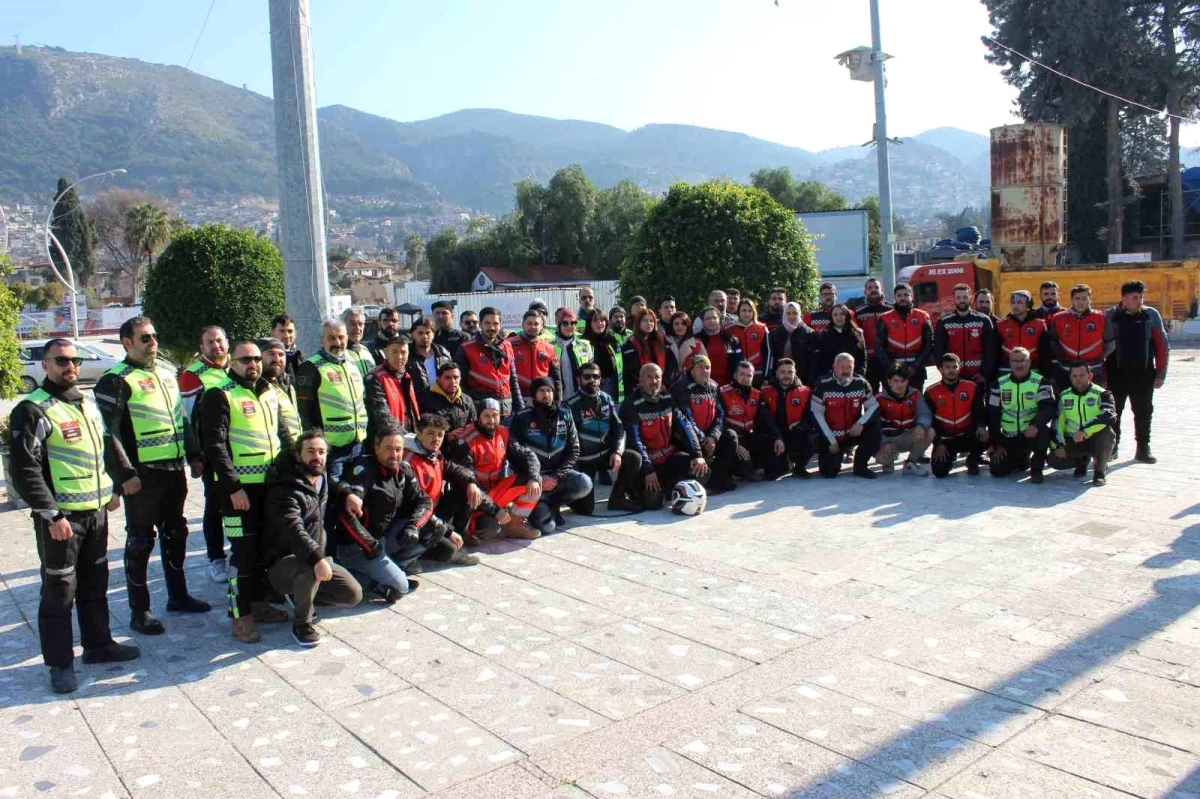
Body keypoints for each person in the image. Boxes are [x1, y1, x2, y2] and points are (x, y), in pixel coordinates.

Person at [9, 338, 140, 693]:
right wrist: (51, 514)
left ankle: (98, 646)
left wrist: (117, 484)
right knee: (60, 590)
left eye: (75, 360)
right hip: (61, 520)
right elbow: (24, 469)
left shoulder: (87, 402)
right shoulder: (33, 409)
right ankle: (60, 664)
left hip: (95, 512)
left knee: (95, 583)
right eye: (62, 360)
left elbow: (105, 445)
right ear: (45, 365)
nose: (70, 366)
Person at [96, 317, 211, 635]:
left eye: (154, 337)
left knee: (176, 534)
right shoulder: (115, 380)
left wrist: (194, 453)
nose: (153, 343)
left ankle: (178, 596)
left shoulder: (165, 373)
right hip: (142, 476)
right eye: (145, 338)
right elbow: (109, 433)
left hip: (173, 470)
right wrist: (125, 475)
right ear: (127, 342)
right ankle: (139, 611)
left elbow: (180, 418)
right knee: (140, 542)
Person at [202, 340, 295, 642]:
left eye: (256, 358)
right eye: (245, 360)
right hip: (236, 495)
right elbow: (214, 447)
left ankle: (258, 604)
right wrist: (233, 487)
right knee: (241, 556)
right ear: (232, 362)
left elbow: (283, 436)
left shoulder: (269, 392)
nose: (252, 364)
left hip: (269, 490)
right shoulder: (219, 395)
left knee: (262, 552)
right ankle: (239, 617)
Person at [265, 430, 364, 648]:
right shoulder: (285, 488)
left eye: (321, 452)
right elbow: (294, 529)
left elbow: (333, 486)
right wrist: (318, 559)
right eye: (310, 452)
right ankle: (302, 624)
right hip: (281, 563)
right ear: (298, 455)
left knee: (353, 594)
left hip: (314, 555)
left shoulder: (320, 477)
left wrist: (347, 494)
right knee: (311, 568)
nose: (317, 457)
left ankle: (305, 595)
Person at [337, 423, 429, 603]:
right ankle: (365, 579)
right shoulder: (364, 470)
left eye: (398, 449)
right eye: (388, 449)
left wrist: (414, 526)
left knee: (433, 528)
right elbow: (347, 516)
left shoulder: (403, 469)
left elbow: (424, 501)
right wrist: (370, 546)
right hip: (359, 547)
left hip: (383, 538)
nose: (394, 454)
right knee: (400, 588)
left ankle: (393, 569)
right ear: (376, 448)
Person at [179, 324, 231, 581]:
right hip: (212, 454)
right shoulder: (193, 375)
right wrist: (194, 456)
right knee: (215, 506)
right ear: (202, 347)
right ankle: (216, 558)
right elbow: (186, 419)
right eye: (210, 342)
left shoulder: (238, 366)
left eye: (219, 341)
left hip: (241, 451)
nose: (216, 346)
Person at [445, 401, 542, 539]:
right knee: (490, 529)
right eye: (487, 416)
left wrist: (532, 478)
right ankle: (469, 529)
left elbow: (528, 455)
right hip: (475, 499)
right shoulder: (465, 440)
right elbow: (466, 479)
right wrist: (495, 511)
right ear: (478, 417)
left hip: (497, 491)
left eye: (495, 415)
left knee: (535, 479)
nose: (491, 420)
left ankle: (514, 524)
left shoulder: (503, 432)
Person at [401, 414, 488, 566]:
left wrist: (471, 482)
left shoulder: (433, 454)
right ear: (419, 433)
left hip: (432, 512)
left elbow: (455, 469)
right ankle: (412, 556)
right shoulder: (408, 461)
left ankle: (457, 541)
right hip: (415, 518)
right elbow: (412, 505)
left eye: (440, 435)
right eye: (430, 433)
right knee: (447, 550)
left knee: (464, 489)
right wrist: (447, 531)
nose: (436, 439)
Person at [509, 377, 593, 533]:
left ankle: (554, 504)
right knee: (548, 528)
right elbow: (514, 451)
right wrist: (536, 477)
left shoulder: (565, 414)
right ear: (534, 394)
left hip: (557, 476)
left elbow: (574, 449)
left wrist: (555, 476)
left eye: (549, 390)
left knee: (585, 483)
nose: (546, 394)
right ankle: (538, 505)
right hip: (533, 480)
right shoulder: (522, 417)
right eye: (541, 391)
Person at [621, 363, 710, 509]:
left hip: (668, 460)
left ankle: (670, 488)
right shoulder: (630, 404)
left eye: (657, 377)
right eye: (649, 377)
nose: (654, 381)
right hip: (647, 466)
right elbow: (634, 440)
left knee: (703, 472)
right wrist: (647, 470)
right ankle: (653, 490)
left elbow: (685, 427)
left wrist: (697, 454)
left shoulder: (667, 399)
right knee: (652, 503)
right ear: (640, 380)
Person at [295, 319, 368, 480]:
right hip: (331, 447)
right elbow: (303, 410)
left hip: (357, 443)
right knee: (335, 494)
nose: (338, 342)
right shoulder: (311, 367)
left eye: (341, 337)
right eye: (331, 338)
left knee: (358, 490)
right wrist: (317, 444)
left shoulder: (352, 365)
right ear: (322, 340)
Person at [565, 363, 643, 513]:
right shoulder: (570, 405)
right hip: (584, 461)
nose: (592, 380)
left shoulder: (606, 398)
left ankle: (618, 498)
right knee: (585, 510)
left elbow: (619, 427)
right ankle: (566, 498)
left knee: (634, 458)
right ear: (578, 379)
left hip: (606, 455)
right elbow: (567, 441)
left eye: (596, 377)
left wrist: (618, 452)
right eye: (587, 377)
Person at [1105, 279, 1169, 463]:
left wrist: (1161, 374)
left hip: (1144, 374)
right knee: (1113, 413)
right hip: (1116, 375)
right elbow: (1102, 347)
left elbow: (1163, 346)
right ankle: (1112, 448)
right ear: (1123, 299)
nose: (1140, 301)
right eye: (1135, 297)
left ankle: (1143, 448)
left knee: (1144, 413)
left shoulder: (1150, 315)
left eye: (1141, 297)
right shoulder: (1110, 316)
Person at [671, 356, 738, 493]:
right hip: (687, 438)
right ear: (692, 369)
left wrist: (713, 436)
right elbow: (686, 420)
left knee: (730, 436)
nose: (704, 371)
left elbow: (720, 414)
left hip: (709, 436)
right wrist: (703, 441)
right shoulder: (681, 387)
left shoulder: (714, 386)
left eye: (707, 367)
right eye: (700, 367)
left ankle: (716, 481)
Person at [987, 347, 1055, 483]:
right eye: (1015, 361)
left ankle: (1036, 469)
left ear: (1029, 362)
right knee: (996, 470)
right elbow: (992, 414)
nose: (1019, 365)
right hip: (1009, 436)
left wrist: (1035, 424)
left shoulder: (1041, 382)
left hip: (1032, 433)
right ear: (1010, 363)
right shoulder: (998, 384)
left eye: (1022, 361)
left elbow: (1047, 408)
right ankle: (1022, 460)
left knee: (1044, 432)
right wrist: (997, 444)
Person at [810, 353, 880, 479]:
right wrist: (830, 440)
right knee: (829, 472)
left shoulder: (861, 382)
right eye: (842, 367)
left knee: (874, 430)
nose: (846, 370)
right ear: (834, 367)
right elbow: (816, 414)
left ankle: (860, 467)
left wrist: (861, 423)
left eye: (849, 367)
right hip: (832, 436)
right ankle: (835, 454)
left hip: (853, 433)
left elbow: (873, 406)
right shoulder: (823, 384)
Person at [1047, 363, 1117, 486]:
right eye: (1074, 376)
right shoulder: (1064, 396)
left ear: (1090, 376)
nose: (1078, 379)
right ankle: (1081, 461)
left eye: (1081, 375)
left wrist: (1086, 432)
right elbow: (1057, 422)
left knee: (1108, 434)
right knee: (1054, 460)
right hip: (1073, 439)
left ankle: (1100, 471)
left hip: (1094, 438)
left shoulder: (1103, 394)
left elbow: (1109, 416)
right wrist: (1058, 445)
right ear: (1070, 377)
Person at [720, 360, 787, 480]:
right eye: (741, 374)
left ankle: (756, 467)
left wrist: (778, 438)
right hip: (732, 441)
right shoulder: (723, 393)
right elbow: (719, 423)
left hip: (750, 437)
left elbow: (767, 419)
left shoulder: (757, 394)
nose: (745, 378)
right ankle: (738, 472)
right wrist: (736, 446)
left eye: (749, 375)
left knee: (776, 471)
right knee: (744, 468)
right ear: (735, 375)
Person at [925, 353, 989, 478]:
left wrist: (981, 426)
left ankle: (972, 459)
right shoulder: (931, 392)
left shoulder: (971, 387)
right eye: (948, 367)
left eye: (954, 367)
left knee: (986, 437)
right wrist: (939, 443)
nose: (951, 370)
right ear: (940, 369)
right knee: (939, 472)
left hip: (967, 434)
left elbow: (979, 410)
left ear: (959, 368)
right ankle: (950, 455)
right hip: (945, 438)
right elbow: (930, 420)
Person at [455, 306, 523, 419]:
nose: (491, 327)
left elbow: (513, 380)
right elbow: (461, 384)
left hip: (506, 411)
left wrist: (520, 408)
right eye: (487, 323)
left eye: (495, 323)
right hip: (481, 412)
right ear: (480, 324)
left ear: (500, 325)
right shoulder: (466, 348)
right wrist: (468, 410)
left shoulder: (507, 345)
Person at [1044, 283, 1115, 390]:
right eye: (1077, 298)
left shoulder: (1101, 318)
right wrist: (1062, 357)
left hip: (1094, 368)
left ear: (1090, 299)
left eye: (1084, 298)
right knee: (1066, 401)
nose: (1080, 302)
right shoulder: (1058, 318)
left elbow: (1110, 344)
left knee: (1096, 402)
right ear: (1072, 300)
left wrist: (1099, 358)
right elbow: (1053, 342)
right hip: (1067, 368)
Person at [874, 363, 933, 476]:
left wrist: (921, 425)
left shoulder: (915, 394)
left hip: (908, 437)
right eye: (896, 381)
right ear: (889, 381)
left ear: (907, 381)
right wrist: (884, 442)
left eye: (903, 381)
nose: (899, 384)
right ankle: (889, 462)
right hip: (889, 440)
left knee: (930, 431)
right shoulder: (879, 399)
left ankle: (910, 463)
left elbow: (925, 414)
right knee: (882, 460)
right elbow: (874, 426)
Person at [760, 357, 814, 478]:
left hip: (795, 432)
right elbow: (764, 419)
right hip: (775, 435)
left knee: (810, 439)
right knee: (772, 475)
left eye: (790, 372)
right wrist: (776, 437)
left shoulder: (805, 391)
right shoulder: (765, 392)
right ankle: (784, 463)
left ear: (795, 373)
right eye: (782, 372)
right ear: (776, 374)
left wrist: (800, 427)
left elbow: (810, 417)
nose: (786, 375)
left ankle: (799, 466)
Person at [934, 283, 996, 385]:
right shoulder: (944, 322)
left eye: (965, 297)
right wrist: (943, 371)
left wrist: (984, 373)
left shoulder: (983, 320)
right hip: (953, 377)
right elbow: (938, 350)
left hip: (977, 376)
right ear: (953, 299)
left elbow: (991, 350)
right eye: (958, 297)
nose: (962, 300)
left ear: (971, 299)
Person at [876, 282, 934, 391]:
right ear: (895, 298)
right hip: (892, 369)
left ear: (912, 297)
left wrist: (915, 366)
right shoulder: (884, 318)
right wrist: (891, 367)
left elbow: (929, 344)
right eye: (899, 295)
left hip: (916, 370)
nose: (903, 298)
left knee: (915, 403)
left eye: (906, 295)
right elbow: (879, 347)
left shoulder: (923, 316)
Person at [364, 335, 421, 443]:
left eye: (403, 352)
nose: (399, 357)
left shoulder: (406, 376)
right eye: (394, 352)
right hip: (387, 441)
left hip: (408, 438)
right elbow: (382, 415)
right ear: (386, 353)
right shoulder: (375, 378)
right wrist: (407, 438)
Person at [510, 309, 563, 405]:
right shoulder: (510, 345)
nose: (532, 327)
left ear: (542, 327)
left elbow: (556, 378)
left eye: (536, 324)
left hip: (542, 397)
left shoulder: (550, 348)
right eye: (529, 323)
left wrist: (558, 401)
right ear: (523, 325)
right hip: (518, 397)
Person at [259, 337, 302, 442]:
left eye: (281, 354)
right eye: (271, 354)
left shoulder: (286, 383)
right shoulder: (259, 387)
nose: (277, 359)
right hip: (279, 451)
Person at [853, 278, 892, 392]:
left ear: (882, 290)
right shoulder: (857, 312)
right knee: (870, 395)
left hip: (888, 358)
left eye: (876, 287)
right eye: (870, 288)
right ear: (865, 292)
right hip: (868, 360)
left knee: (891, 393)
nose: (873, 290)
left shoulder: (891, 310)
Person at [997, 290, 1048, 375]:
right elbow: (995, 352)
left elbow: (1045, 352)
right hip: (1006, 370)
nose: (1015, 305)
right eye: (1013, 302)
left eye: (1019, 302)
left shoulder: (1040, 324)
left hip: (1032, 369)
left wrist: (1046, 374)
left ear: (1028, 305)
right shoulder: (1001, 325)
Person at [622, 308, 669, 400]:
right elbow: (631, 371)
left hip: (662, 387)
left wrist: (664, 383)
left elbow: (671, 363)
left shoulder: (662, 340)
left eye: (651, 320)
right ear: (638, 323)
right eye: (645, 320)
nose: (649, 323)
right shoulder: (630, 344)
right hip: (640, 390)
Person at [422, 361, 478, 436]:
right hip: (438, 446)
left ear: (460, 379)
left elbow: (474, 427)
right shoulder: (428, 401)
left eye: (456, 377)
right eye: (447, 378)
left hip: (464, 445)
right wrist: (447, 437)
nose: (453, 382)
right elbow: (425, 432)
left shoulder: (467, 400)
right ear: (439, 379)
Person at [814, 304, 867, 383]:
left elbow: (863, 358)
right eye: (835, 315)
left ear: (847, 315)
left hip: (854, 377)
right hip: (831, 378)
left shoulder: (857, 333)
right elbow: (822, 359)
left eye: (842, 314)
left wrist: (860, 375)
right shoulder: (825, 334)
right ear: (831, 317)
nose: (839, 317)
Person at [582, 309, 624, 403]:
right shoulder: (582, 342)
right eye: (595, 320)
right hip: (589, 382)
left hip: (610, 382)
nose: (599, 323)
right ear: (589, 323)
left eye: (602, 320)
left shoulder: (612, 340)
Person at [695, 307, 743, 388]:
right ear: (702, 322)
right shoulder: (696, 340)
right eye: (708, 319)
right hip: (703, 385)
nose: (711, 321)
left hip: (728, 385)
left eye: (714, 318)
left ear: (719, 320)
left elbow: (739, 360)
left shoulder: (731, 339)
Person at [766, 301, 814, 383]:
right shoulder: (774, 334)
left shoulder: (809, 333)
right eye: (788, 313)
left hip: (802, 380)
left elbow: (812, 361)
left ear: (799, 314)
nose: (791, 316)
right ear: (784, 315)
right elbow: (770, 357)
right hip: (779, 379)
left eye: (795, 313)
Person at [553, 307, 594, 400]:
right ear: (559, 325)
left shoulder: (585, 345)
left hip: (582, 396)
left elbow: (592, 371)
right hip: (559, 397)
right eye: (565, 323)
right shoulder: (550, 346)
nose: (569, 326)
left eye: (573, 323)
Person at [729, 299, 770, 386]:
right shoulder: (729, 329)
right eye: (744, 310)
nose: (747, 314)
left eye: (750, 310)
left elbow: (769, 353)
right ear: (738, 311)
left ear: (754, 312)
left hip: (758, 372)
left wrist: (766, 376)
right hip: (738, 373)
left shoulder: (762, 328)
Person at [407, 317, 452, 395]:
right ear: (413, 335)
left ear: (433, 334)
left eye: (428, 333)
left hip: (441, 400)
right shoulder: (406, 355)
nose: (425, 336)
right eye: (420, 333)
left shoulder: (443, 354)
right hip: (417, 402)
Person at [664, 311, 704, 386]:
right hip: (667, 385)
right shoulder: (664, 341)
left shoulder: (697, 344)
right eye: (676, 324)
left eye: (683, 324)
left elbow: (704, 367)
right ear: (671, 326)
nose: (680, 327)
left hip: (691, 385)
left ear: (688, 326)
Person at [341, 307, 378, 378]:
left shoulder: (366, 350)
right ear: (343, 325)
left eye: (360, 324)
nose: (357, 328)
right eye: (352, 324)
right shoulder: (338, 353)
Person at [271, 313, 303, 384]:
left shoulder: (300, 358)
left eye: (290, 331)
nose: (287, 335)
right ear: (272, 333)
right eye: (282, 331)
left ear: (295, 334)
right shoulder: (267, 359)